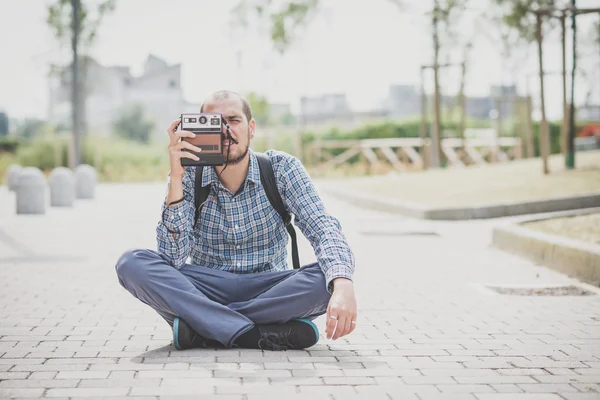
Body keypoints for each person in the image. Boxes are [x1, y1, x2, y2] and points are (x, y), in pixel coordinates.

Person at [115, 90, 357, 351]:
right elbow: (172, 258)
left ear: (251, 128)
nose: (225, 130)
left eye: (233, 120)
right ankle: (252, 333)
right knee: (132, 263)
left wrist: (343, 284)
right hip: (206, 286)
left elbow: (322, 226)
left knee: (329, 277)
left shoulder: (282, 168)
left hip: (270, 288)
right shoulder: (188, 174)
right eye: (214, 123)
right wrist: (176, 179)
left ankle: (205, 327)